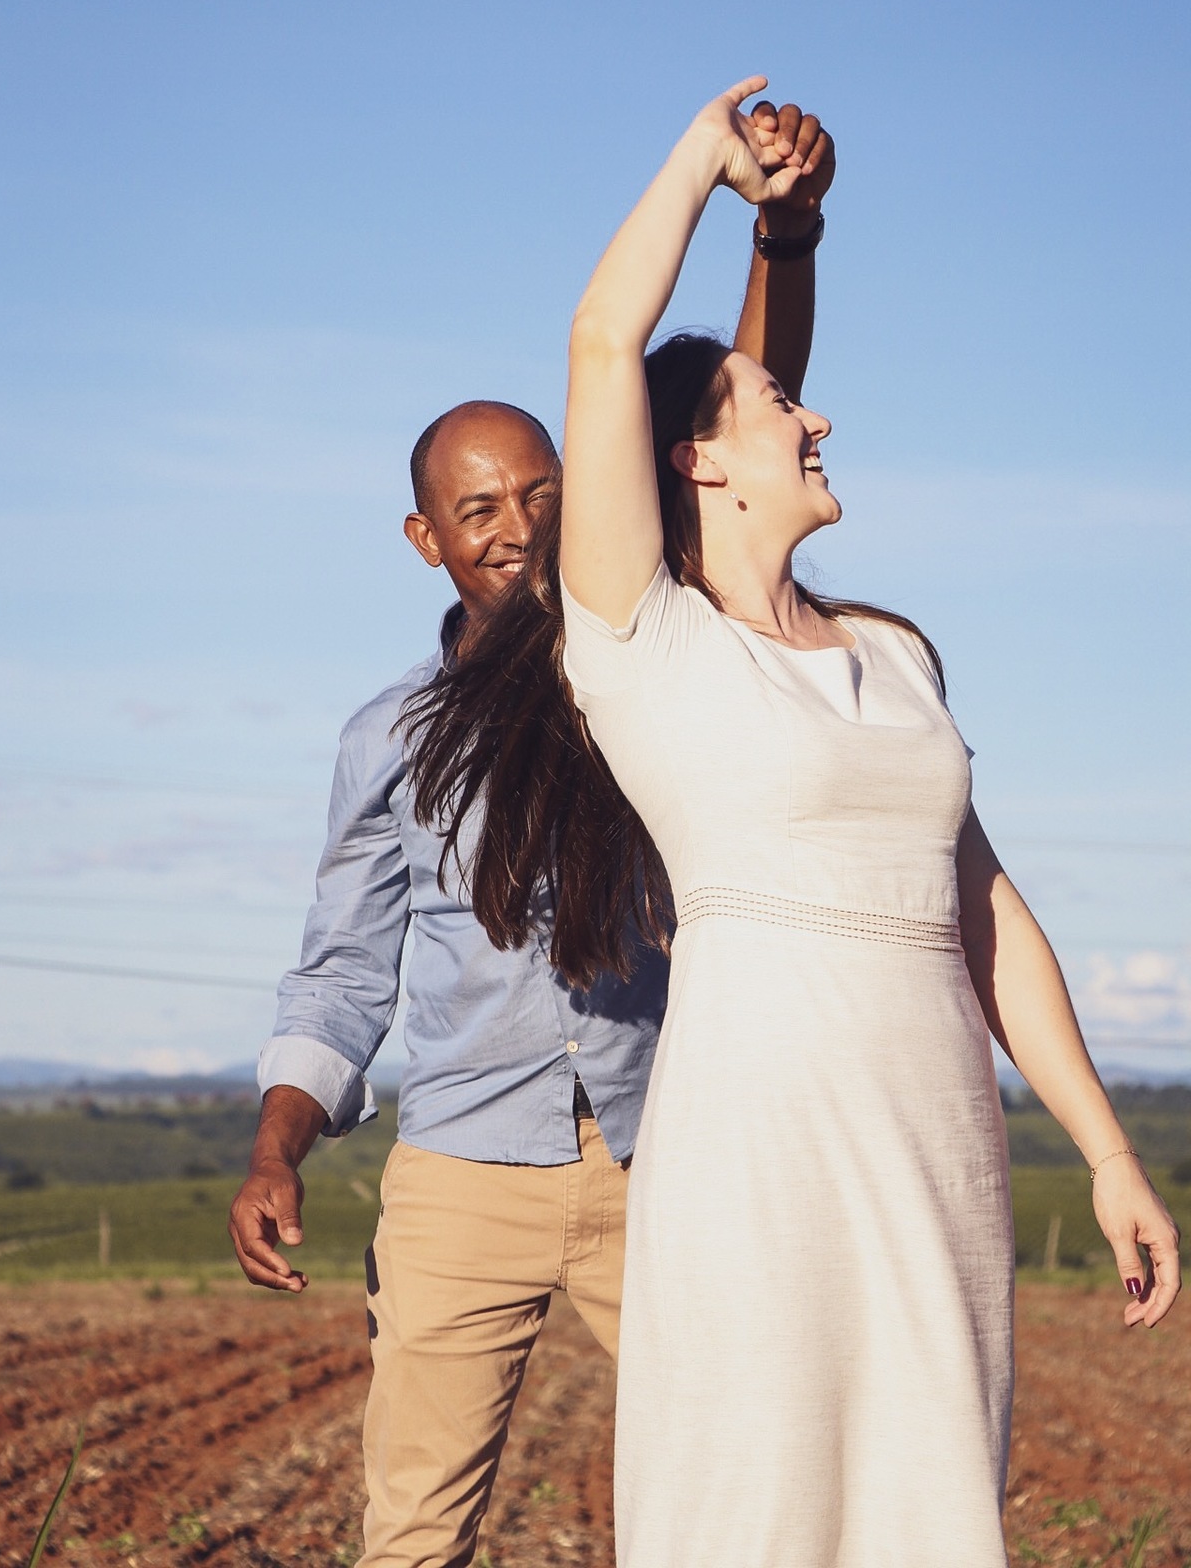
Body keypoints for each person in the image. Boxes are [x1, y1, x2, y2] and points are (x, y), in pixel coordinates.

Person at [413, 78, 1181, 1567]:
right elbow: (604, 340)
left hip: (941, 1134)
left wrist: (1105, 1152)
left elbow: (985, 911)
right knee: (759, 1508)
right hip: (761, 1136)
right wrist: (704, 163)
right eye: (779, 406)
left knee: (930, 1509)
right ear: (696, 461)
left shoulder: (896, 657)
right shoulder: (646, 647)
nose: (815, 414)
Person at [226, 100, 836, 1568]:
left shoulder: (641, 644)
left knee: (757, 1505)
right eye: (478, 507)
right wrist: (274, 1151)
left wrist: (786, 231)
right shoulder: (388, 738)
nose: (513, 524)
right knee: (412, 1537)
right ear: (426, 537)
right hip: (459, 1178)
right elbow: (342, 977)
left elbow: (738, 415)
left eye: (541, 492)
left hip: (667, 1158)